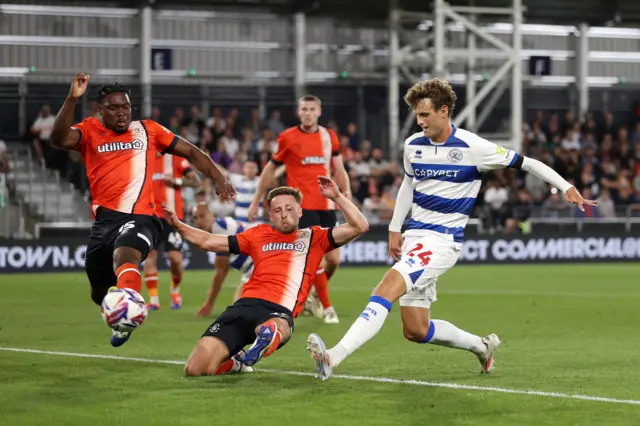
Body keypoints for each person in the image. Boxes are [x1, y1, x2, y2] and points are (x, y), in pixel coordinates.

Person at [306, 78, 597, 380]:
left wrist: (566, 187)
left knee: (385, 289)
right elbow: (409, 183)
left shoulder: (473, 147)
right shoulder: (413, 146)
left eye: (425, 115)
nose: (419, 122)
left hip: (442, 242)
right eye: (417, 115)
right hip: (415, 239)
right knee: (415, 330)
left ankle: (333, 357)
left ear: (444, 111)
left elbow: (527, 163)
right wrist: (395, 228)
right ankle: (481, 347)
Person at [49, 73, 235, 347]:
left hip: (144, 216)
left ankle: (130, 312)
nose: (122, 113)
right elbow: (58, 137)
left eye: (126, 106)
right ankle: (119, 317)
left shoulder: (149, 130)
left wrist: (218, 177)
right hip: (105, 222)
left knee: (127, 256)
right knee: (98, 290)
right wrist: (71, 99)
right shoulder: (89, 131)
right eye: (113, 108)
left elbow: (192, 152)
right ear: (100, 110)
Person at [163, 176, 368, 376]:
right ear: (271, 215)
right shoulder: (257, 234)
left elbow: (360, 226)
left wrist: (337, 197)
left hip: (276, 310)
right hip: (242, 306)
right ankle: (237, 363)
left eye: (289, 209)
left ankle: (265, 340)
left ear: (300, 212)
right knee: (194, 369)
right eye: (278, 210)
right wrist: (177, 224)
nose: (284, 214)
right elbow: (207, 241)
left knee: (273, 328)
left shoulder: (315, 237)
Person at [247, 95, 350, 324]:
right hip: (301, 208)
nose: (307, 113)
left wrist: (347, 195)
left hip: (326, 205)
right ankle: (327, 307)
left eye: (312, 109)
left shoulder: (329, 137)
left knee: (334, 259)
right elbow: (269, 170)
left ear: (319, 112)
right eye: (304, 109)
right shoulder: (287, 138)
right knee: (317, 259)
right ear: (298, 112)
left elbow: (339, 168)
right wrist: (256, 200)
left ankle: (313, 291)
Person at [143, 151, 199, 311]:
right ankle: (154, 300)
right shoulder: (144, 158)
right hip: (150, 217)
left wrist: (176, 180)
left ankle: (175, 290)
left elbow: (196, 181)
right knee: (150, 257)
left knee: (175, 259)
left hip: (172, 218)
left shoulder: (176, 159)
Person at [191, 203, 253, 317]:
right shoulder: (222, 225)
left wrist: (209, 303)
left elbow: (221, 272)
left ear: (211, 215)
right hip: (251, 273)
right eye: (195, 218)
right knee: (238, 310)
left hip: (259, 270)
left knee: (239, 312)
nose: (199, 221)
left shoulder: (221, 230)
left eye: (202, 216)